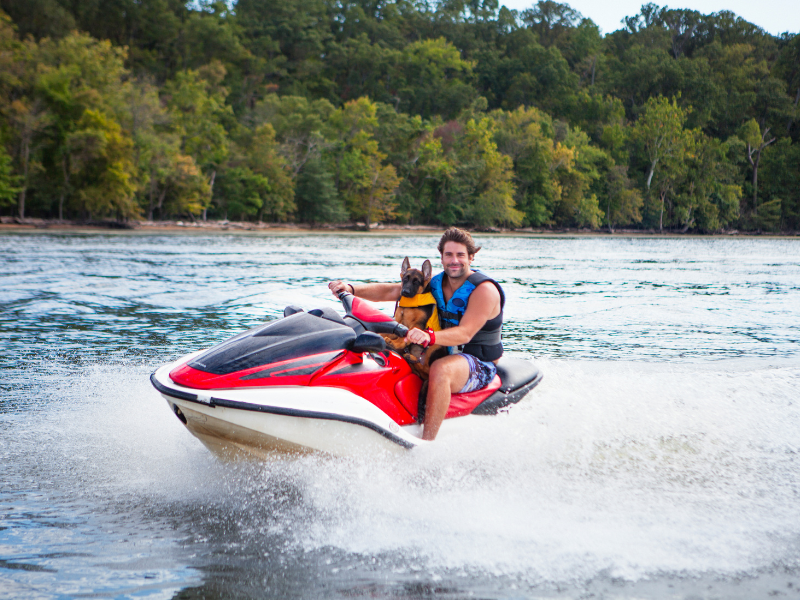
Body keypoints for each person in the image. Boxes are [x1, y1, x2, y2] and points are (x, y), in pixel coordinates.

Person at [328, 227, 504, 440]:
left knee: (441, 369)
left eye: (460, 255)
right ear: (442, 257)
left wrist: (429, 336)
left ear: (471, 257)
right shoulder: (436, 283)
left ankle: (426, 444)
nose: (454, 260)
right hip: (442, 350)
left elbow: (465, 333)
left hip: (479, 362)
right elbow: (392, 291)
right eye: (449, 254)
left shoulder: (484, 290)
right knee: (378, 348)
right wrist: (350, 289)